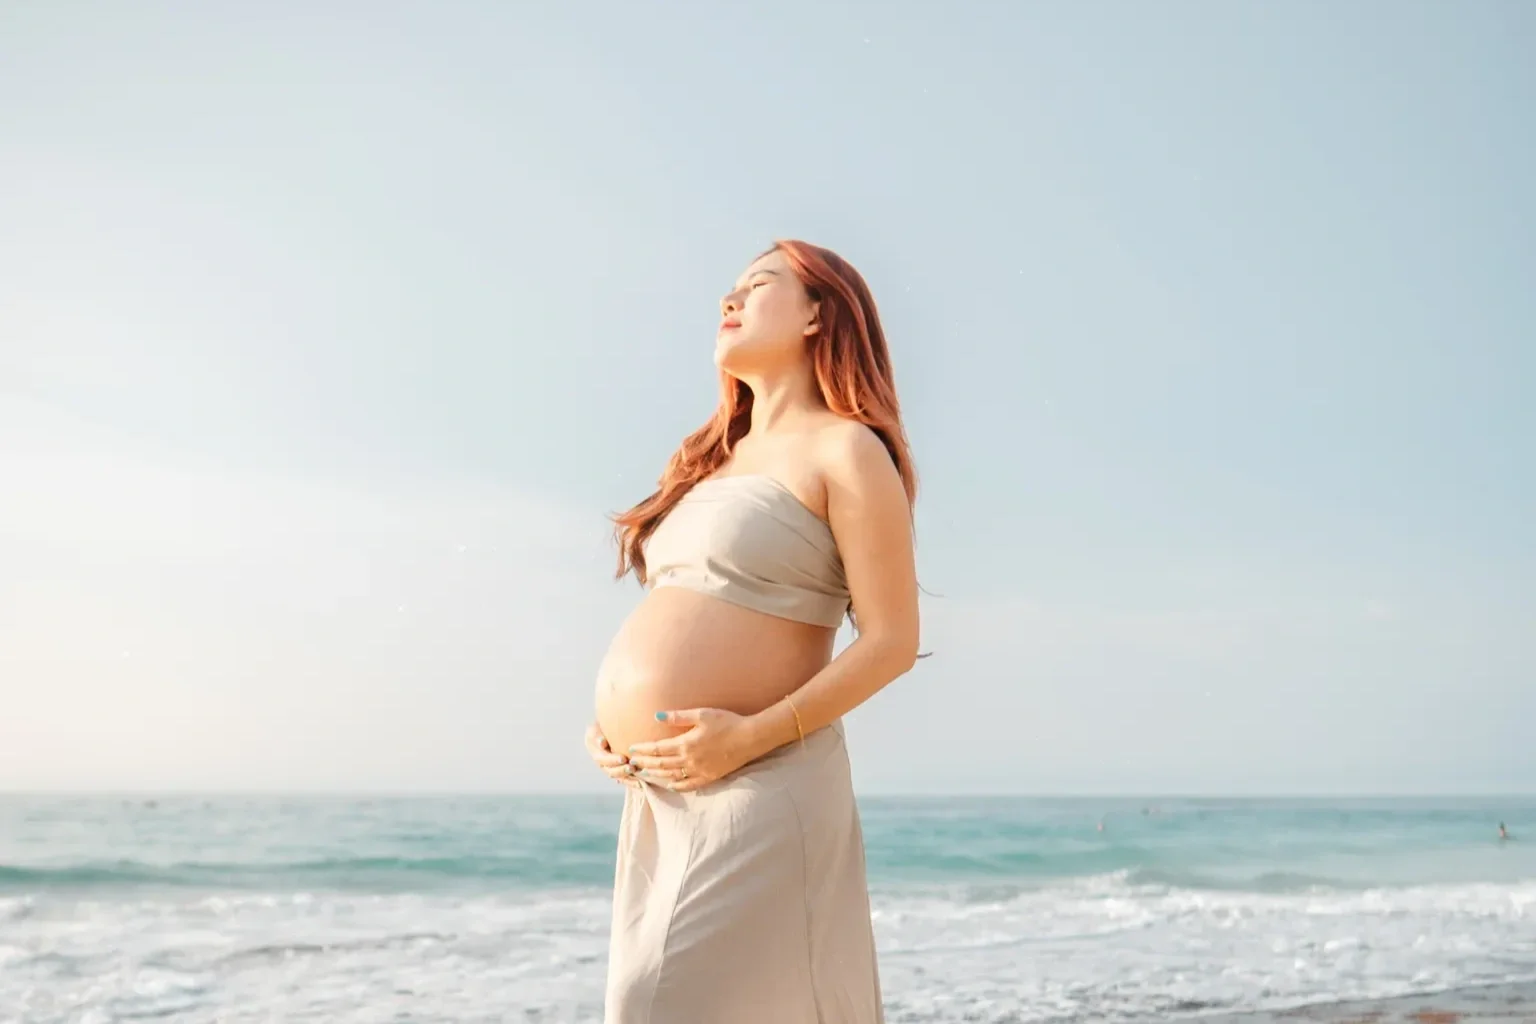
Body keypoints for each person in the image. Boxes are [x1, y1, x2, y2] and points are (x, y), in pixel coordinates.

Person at [582, 239, 920, 1023]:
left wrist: (746, 738)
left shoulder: (847, 449)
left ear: (817, 314)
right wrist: (612, 725)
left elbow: (892, 642)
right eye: (728, 290)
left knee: (653, 1005)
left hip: (763, 777)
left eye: (758, 285)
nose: (730, 301)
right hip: (661, 795)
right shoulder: (707, 465)